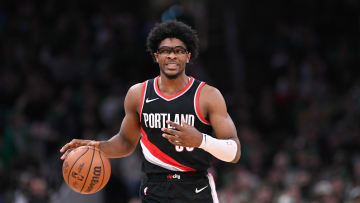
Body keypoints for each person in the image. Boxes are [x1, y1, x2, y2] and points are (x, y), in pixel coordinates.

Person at [60, 20, 241, 203]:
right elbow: (125, 143)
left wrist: (201, 140)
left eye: (178, 51)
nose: (171, 56)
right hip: (155, 189)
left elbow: (234, 152)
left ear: (188, 56)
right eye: (165, 51)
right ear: (156, 56)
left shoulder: (208, 95)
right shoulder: (138, 94)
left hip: (196, 187)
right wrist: (95, 146)